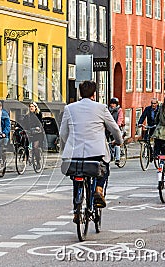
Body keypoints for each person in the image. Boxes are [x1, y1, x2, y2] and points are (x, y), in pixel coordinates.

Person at [59, 81, 123, 222]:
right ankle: (99, 189)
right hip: (96, 152)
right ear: (94, 94)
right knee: (104, 169)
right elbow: (114, 128)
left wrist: (66, 145)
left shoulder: (69, 108)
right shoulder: (101, 108)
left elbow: (63, 133)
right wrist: (119, 141)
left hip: (74, 153)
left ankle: (77, 209)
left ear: (80, 93)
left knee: (77, 175)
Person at [22, 102, 44, 169]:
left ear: (35, 107)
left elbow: (40, 122)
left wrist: (38, 127)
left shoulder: (38, 114)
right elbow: (23, 123)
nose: (31, 107)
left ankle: (38, 162)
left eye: (32, 106)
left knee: (35, 147)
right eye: (30, 106)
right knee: (25, 145)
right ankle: (25, 158)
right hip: (29, 132)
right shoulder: (27, 116)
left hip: (37, 134)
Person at [107, 97, 124, 166]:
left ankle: (117, 159)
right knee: (107, 142)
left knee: (117, 143)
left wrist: (117, 125)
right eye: (111, 103)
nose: (112, 105)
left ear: (116, 104)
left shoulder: (119, 110)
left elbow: (120, 118)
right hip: (108, 128)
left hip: (116, 128)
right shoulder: (107, 110)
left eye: (114, 103)